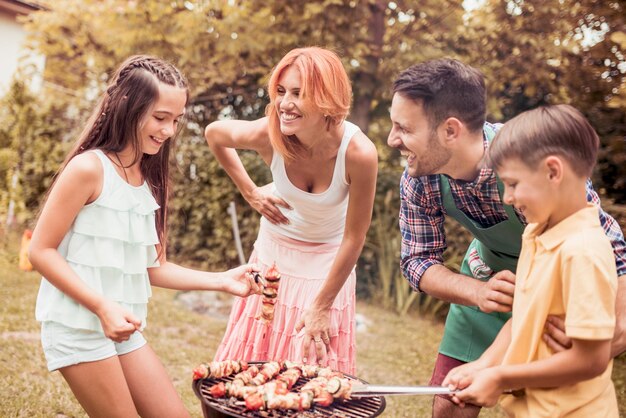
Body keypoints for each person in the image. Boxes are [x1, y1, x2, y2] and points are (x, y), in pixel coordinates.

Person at [386, 58, 626, 418]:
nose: (392, 140)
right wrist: (477, 292)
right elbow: (416, 261)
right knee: (451, 401)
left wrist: (618, 317)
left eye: (403, 128)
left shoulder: (529, 153)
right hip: (489, 277)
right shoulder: (419, 179)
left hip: (555, 279)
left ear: (451, 130)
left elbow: (597, 232)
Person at [29, 55, 262, 418]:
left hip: (122, 329)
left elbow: (152, 267)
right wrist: (102, 306)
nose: (169, 130)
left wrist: (221, 281)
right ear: (127, 107)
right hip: (78, 325)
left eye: (175, 120)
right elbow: (40, 251)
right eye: (160, 117)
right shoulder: (88, 168)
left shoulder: (148, 179)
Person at [205, 46, 378, 375]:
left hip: (328, 266)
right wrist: (251, 192)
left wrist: (322, 304)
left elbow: (355, 237)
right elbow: (215, 134)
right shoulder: (269, 134)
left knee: (311, 372)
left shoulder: (359, 153)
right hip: (273, 259)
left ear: (327, 97)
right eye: (281, 91)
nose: (284, 104)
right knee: (252, 366)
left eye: (299, 94)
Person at [443, 104, 618, 417]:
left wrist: (501, 377)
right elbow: (523, 315)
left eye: (512, 184)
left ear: (553, 172)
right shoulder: (535, 232)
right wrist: (484, 365)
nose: (506, 198)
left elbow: (591, 359)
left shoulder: (583, 252)